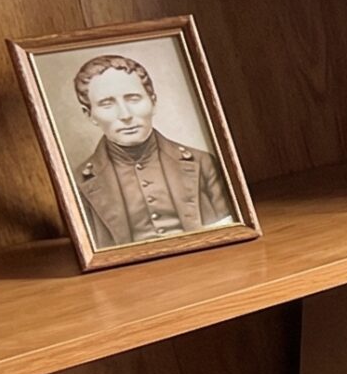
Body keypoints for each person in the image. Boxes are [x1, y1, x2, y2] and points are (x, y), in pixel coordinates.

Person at [67, 53, 235, 248]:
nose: (125, 115)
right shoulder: (79, 182)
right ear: (90, 115)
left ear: (153, 102)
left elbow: (229, 231)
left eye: (133, 99)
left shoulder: (203, 163)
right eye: (107, 104)